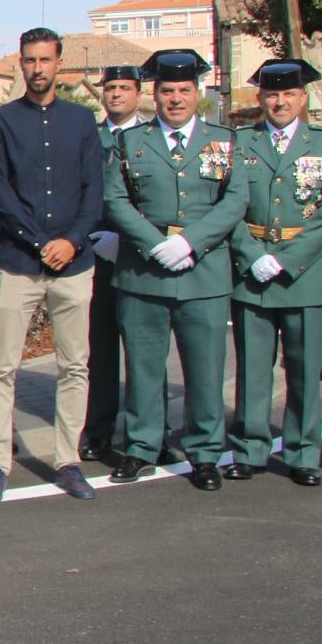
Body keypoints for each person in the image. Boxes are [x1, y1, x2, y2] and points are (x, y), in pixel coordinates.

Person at [103, 49, 246, 492]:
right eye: (168, 91)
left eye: (184, 91)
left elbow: (235, 200)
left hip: (202, 272)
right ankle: (143, 446)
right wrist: (154, 244)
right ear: (156, 94)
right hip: (144, 274)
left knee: (205, 368)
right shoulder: (130, 142)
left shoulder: (223, 141)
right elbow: (116, 200)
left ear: (196, 93)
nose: (176, 99)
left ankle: (204, 452)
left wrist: (189, 242)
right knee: (144, 366)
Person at [0, 30, 106, 504]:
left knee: (74, 367)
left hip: (73, 265)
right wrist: (39, 241)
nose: (36, 69)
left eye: (44, 60)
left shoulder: (81, 120)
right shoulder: (3, 122)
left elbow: (95, 191)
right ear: (21, 65)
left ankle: (68, 461)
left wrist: (70, 242)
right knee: (1, 367)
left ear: (59, 63)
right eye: (28, 61)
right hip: (18, 263)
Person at [227, 59, 322, 485]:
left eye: (288, 95)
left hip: (303, 273)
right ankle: (251, 448)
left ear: (302, 98)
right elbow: (228, 205)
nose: (279, 102)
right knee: (253, 367)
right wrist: (251, 252)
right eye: (272, 95)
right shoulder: (240, 144)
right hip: (251, 268)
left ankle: (302, 452)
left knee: (304, 368)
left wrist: (288, 258)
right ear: (260, 99)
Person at [82, 65, 147, 460]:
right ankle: (99, 430)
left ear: (139, 93)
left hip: (141, 255)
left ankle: (150, 429)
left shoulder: (153, 137)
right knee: (100, 348)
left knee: (144, 350)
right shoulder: (91, 136)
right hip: (97, 254)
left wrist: (127, 238)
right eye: (110, 88)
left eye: (125, 88)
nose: (117, 94)